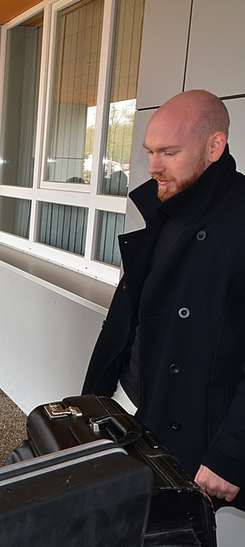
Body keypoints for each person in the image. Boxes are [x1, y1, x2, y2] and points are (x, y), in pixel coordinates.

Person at [83, 89, 245, 509]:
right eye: (150, 152)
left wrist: (232, 453)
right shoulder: (164, 204)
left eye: (169, 152)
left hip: (193, 429)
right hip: (126, 404)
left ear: (215, 146)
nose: (153, 167)